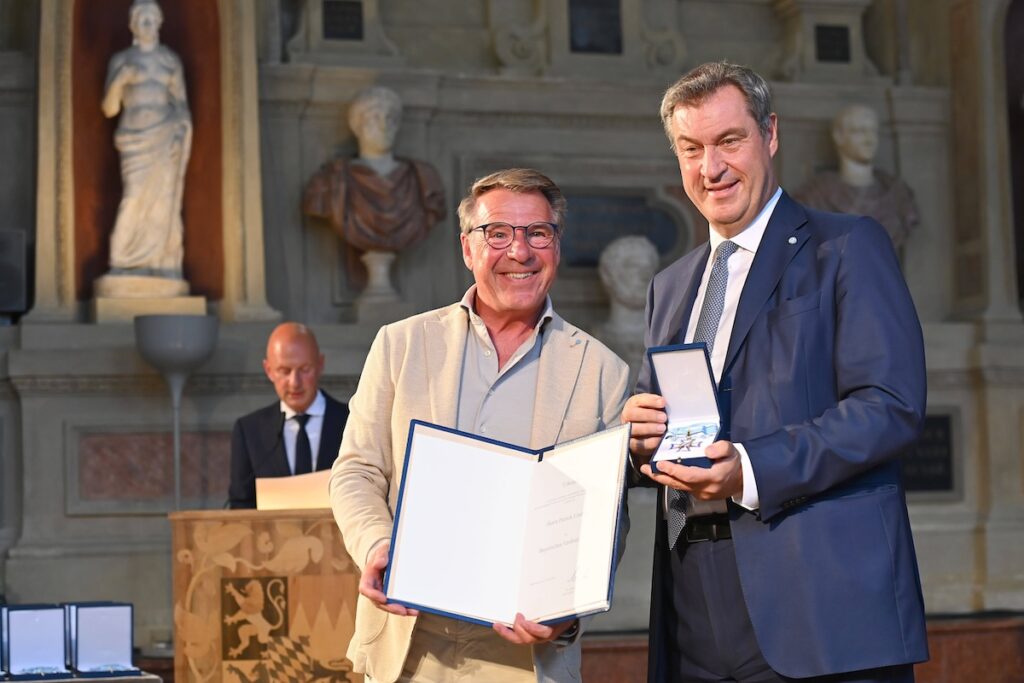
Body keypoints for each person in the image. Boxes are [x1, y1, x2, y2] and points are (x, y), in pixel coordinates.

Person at [623, 62, 928, 682]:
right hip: (690, 607)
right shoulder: (670, 286)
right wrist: (637, 439)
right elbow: (677, 424)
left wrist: (752, 468)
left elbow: (889, 405)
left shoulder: (847, 246)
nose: (711, 168)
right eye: (692, 149)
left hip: (817, 604)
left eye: (729, 141)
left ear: (770, 134)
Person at [330, 168, 630, 683]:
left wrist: (564, 613)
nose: (520, 252)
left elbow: (606, 519)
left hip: (524, 658)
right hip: (407, 648)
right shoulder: (401, 345)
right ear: (467, 249)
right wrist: (379, 545)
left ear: (556, 246)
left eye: (538, 233)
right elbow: (356, 471)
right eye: (498, 234)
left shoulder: (602, 371)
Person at [101, 0, 191, 278]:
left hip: (165, 138)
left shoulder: (170, 60)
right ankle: (123, 260)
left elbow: (181, 105)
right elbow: (109, 108)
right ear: (133, 25)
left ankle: (161, 263)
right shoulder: (122, 60)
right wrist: (118, 81)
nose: (147, 24)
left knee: (163, 200)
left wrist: (181, 129)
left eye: (152, 19)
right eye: (142, 19)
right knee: (133, 198)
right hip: (135, 140)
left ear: (160, 23)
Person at [303, 85, 447, 255]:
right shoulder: (332, 179)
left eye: (390, 118)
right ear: (357, 126)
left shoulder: (423, 178)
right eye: (374, 118)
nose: (383, 126)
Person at [228, 322, 349, 509]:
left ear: (320, 365)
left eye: (304, 369)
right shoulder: (249, 431)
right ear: (269, 370)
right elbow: (240, 506)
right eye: (285, 371)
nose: (294, 383)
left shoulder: (352, 422)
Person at [796, 104, 919, 250]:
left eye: (873, 131)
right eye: (859, 131)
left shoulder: (897, 195)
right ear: (839, 136)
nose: (869, 140)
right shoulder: (815, 197)